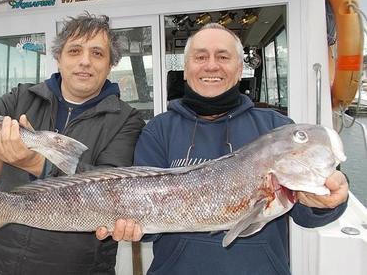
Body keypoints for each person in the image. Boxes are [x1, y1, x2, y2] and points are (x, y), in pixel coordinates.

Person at [95, 23, 349, 275]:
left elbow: (307, 214)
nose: (211, 65)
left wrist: (326, 201)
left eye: (223, 57)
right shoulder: (159, 130)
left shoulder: (276, 127)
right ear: (186, 70)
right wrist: (132, 227)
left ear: (239, 70)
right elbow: (148, 227)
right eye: (200, 57)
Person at [0, 12, 146, 274]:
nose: (85, 62)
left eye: (97, 54)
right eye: (75, 50)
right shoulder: (21, 98)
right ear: (58, 58)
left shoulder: (127, 120)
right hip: (0, 260)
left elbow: (111, 188)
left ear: (110, 63)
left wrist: (38, 163)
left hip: (76, 267)